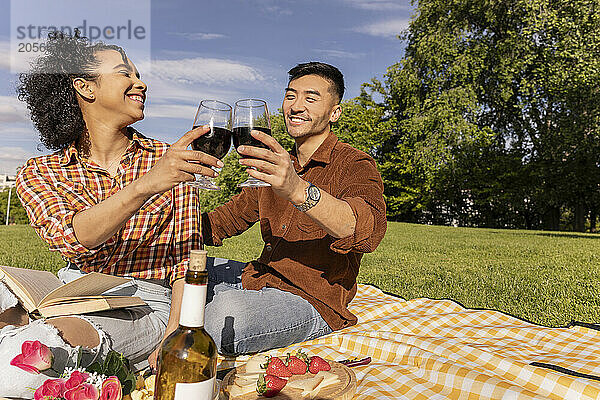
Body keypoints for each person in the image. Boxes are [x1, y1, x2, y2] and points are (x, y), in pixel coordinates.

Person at [0, 31, 219, 397]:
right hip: (70, 288)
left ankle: (27, 333)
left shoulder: (170, 157)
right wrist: (147, 185)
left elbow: (186, 259)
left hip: (145, 303)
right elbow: (71, 236)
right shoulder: (41, 170)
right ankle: (24, 324)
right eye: (125, 74)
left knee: (15, 370)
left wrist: (174, 336)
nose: (141, 83)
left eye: (138, 74)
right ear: (86, 88)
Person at [151, 62, 387, 362]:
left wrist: (297, 189)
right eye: (291, 96)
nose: (296, 106)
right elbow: (224, 221)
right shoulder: (275, 164)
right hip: (258, 277)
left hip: (312, 302)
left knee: (224, 316)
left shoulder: (354, 164)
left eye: (310, 98)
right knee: (178, 266)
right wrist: (164, 212)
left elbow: (363, 230)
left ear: (334, 112)